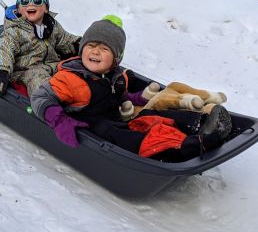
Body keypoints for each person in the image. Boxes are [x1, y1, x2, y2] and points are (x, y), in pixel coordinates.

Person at [30, 15, 233, 161]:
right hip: (90, 127)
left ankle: (202, 123)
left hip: (117, 118)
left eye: (104, 49)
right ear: (82, 49)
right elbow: (40, 97)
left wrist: (141, 98)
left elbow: (122, 97)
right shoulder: (71, 79)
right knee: (129, 137)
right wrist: (59, 121)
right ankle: (182, 148)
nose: (95, 52)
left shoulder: (117, 76)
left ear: (116, 59)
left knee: (151, 117)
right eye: (91, 46)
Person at [0, 0, 81, 98]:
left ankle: (80, 100)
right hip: (25, 72)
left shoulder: (52, 26)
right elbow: (3, 49)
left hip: (54, 67)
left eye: (37, 1)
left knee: (75, 72)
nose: (30, 4)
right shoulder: (14, 31)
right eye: (25, 1)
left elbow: (65, 39)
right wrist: (1, 71)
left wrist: (81, 45)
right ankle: (49, 105)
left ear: (46, 8)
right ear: (18, 8)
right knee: (39, 78)